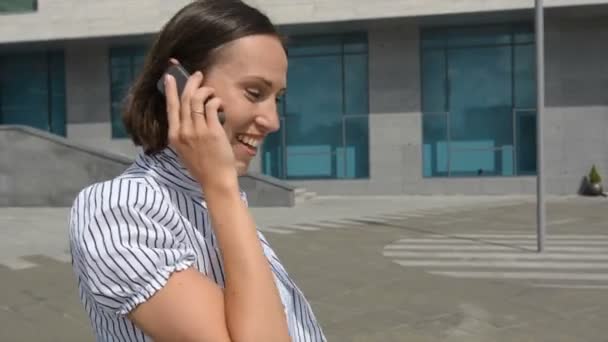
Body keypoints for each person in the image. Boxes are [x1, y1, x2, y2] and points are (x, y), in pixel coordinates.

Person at [67, 1, 326, 341]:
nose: (272, 121)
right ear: (179, 82)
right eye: (254, 92)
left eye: (276, 98)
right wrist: (222, 187)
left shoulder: (209, 199)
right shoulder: (117, 211)